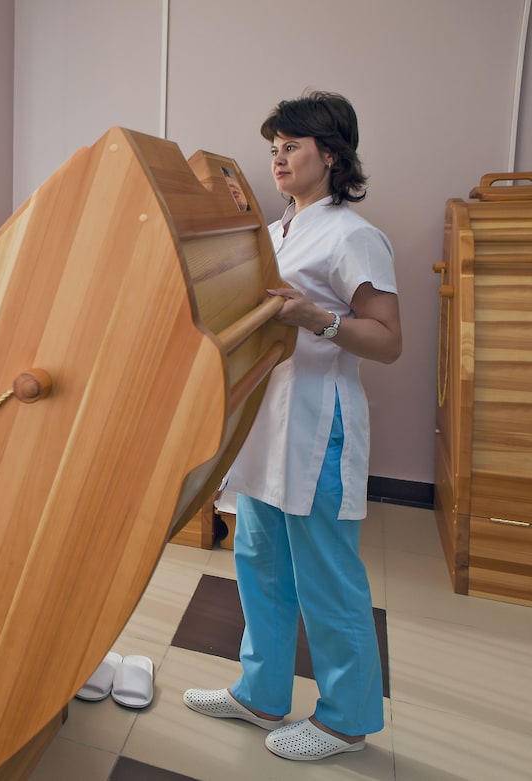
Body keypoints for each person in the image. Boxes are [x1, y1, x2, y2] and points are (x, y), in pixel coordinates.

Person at [182, 91, 402, 761]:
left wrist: (318, 319)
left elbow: (388, 339)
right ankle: (261, 692)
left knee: (327, 578)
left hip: (317, 427)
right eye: (274, 148)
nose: (278, 159)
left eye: (292, 147)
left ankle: (345, 721)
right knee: (260, 566)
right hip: (264, 421)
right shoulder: (276, 233)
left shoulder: (353, 236)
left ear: (331, 156)